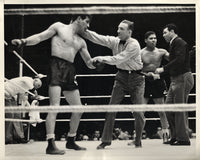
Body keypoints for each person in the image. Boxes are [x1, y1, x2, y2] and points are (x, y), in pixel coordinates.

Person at [11, 15, 95, 155]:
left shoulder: (81, 41)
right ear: (79, 18)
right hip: (55, 66)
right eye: (87, 22)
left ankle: (71, 140)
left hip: (70, 70)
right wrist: (23, 41)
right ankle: (50, 143)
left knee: (79, 109)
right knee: (55, 106)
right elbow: (40, 37)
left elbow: (89, 63)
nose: (88, 26)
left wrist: (100, 62)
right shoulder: (59, 27)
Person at [82, 20, 145, 149]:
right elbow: (99, 38)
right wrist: (83, 31)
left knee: (138, 112)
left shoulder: (134, 45)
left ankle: (138, 141)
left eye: (121, 29)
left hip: (136, 78)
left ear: (129, 32)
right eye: (118, 28)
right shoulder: (115, 41)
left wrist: (101, 58)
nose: (118, 31)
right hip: (121, 77)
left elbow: (119, 58)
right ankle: (105, 140)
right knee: (111, 108)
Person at [155, 23, 194, 145]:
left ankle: (183, 139)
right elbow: (180, 60)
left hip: (182, 78)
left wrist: (163, 69)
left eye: (165, 32)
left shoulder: (179, 42)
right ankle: (175, 136)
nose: (163, 35)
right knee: (168, 108)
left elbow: (179, 61)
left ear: (172, 31)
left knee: (179, 108)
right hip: (176, 79)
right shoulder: (175, 43)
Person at [140, 31, 170, 143]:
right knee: (140, 110)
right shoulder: (140, 53)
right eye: (151, 38)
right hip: (145, 82)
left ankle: (166, 136)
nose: (154, 40)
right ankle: (137, 137)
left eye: (155, 38)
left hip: (158, 82)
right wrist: (147, 75)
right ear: (145, 40)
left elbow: (174, 61)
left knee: (161, 110)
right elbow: (136, 70)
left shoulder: (161, 52)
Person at [5, 76, 42, 144]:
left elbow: (23, 97)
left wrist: (33, 102)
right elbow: (31, 87)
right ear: (35, 80)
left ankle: (19, 137)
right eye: (36, 85)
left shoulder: (26, 87)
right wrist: (35, 92)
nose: (35, 87)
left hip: (12, 97)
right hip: (4, 92)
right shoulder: (28, 79)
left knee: (17, 116)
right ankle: (7, 138)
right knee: (10, 115)